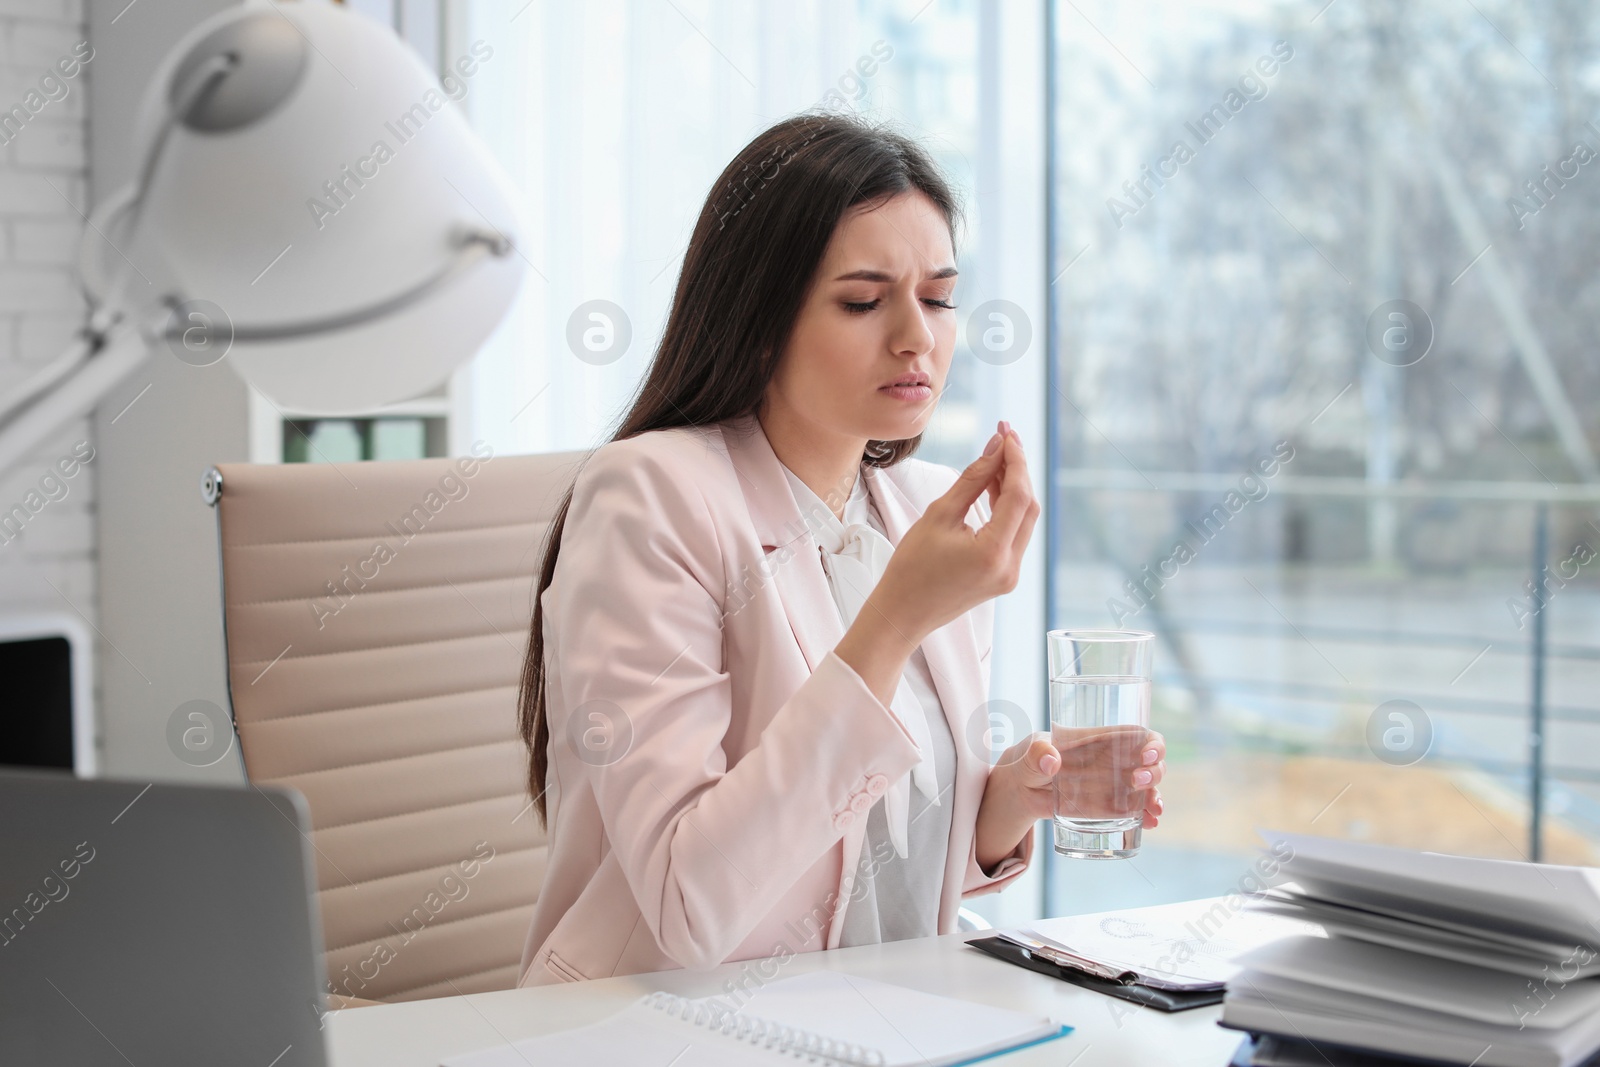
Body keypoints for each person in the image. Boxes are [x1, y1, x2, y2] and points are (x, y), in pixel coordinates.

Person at [514, 111, 1165, 987]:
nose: (917, 337)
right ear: (759, 313)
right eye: (863, 301)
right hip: (661, 1025)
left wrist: (1009, 802)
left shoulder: (923, 507)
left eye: (937, 298)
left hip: (886, 1016)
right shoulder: (650, 496)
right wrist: (896, 617)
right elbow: (687, 900)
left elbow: (871, 864)